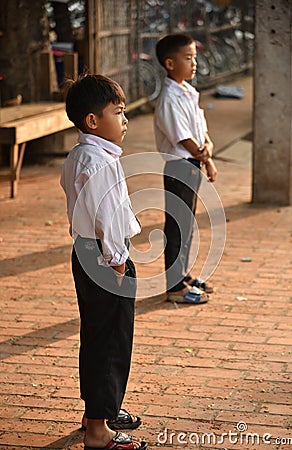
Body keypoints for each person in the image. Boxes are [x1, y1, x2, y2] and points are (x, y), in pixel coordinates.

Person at [60, 73, 147, 450]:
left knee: (98, 336)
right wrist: (117, 262)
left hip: (86, 251)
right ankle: (98, 431)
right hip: (104, 256)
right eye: (119, 112)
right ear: (93, 121)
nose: (125, 120)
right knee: (111, 339)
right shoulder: (100, 163)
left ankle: (99, 411)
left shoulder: (82, 154)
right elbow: (108, 218)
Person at [154, 33, 217, 304]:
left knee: (188, 224)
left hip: (193, 164)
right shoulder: (169, 98)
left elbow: (199, 130)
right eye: (188, 58)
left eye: (195, 58)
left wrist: (208, 150)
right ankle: (175, 286)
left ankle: (183, 274)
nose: (194, 63)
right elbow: (182, 137)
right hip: (179, 166)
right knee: (178, 225)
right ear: (170, 63)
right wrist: (203, 155)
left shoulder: (188, 92)